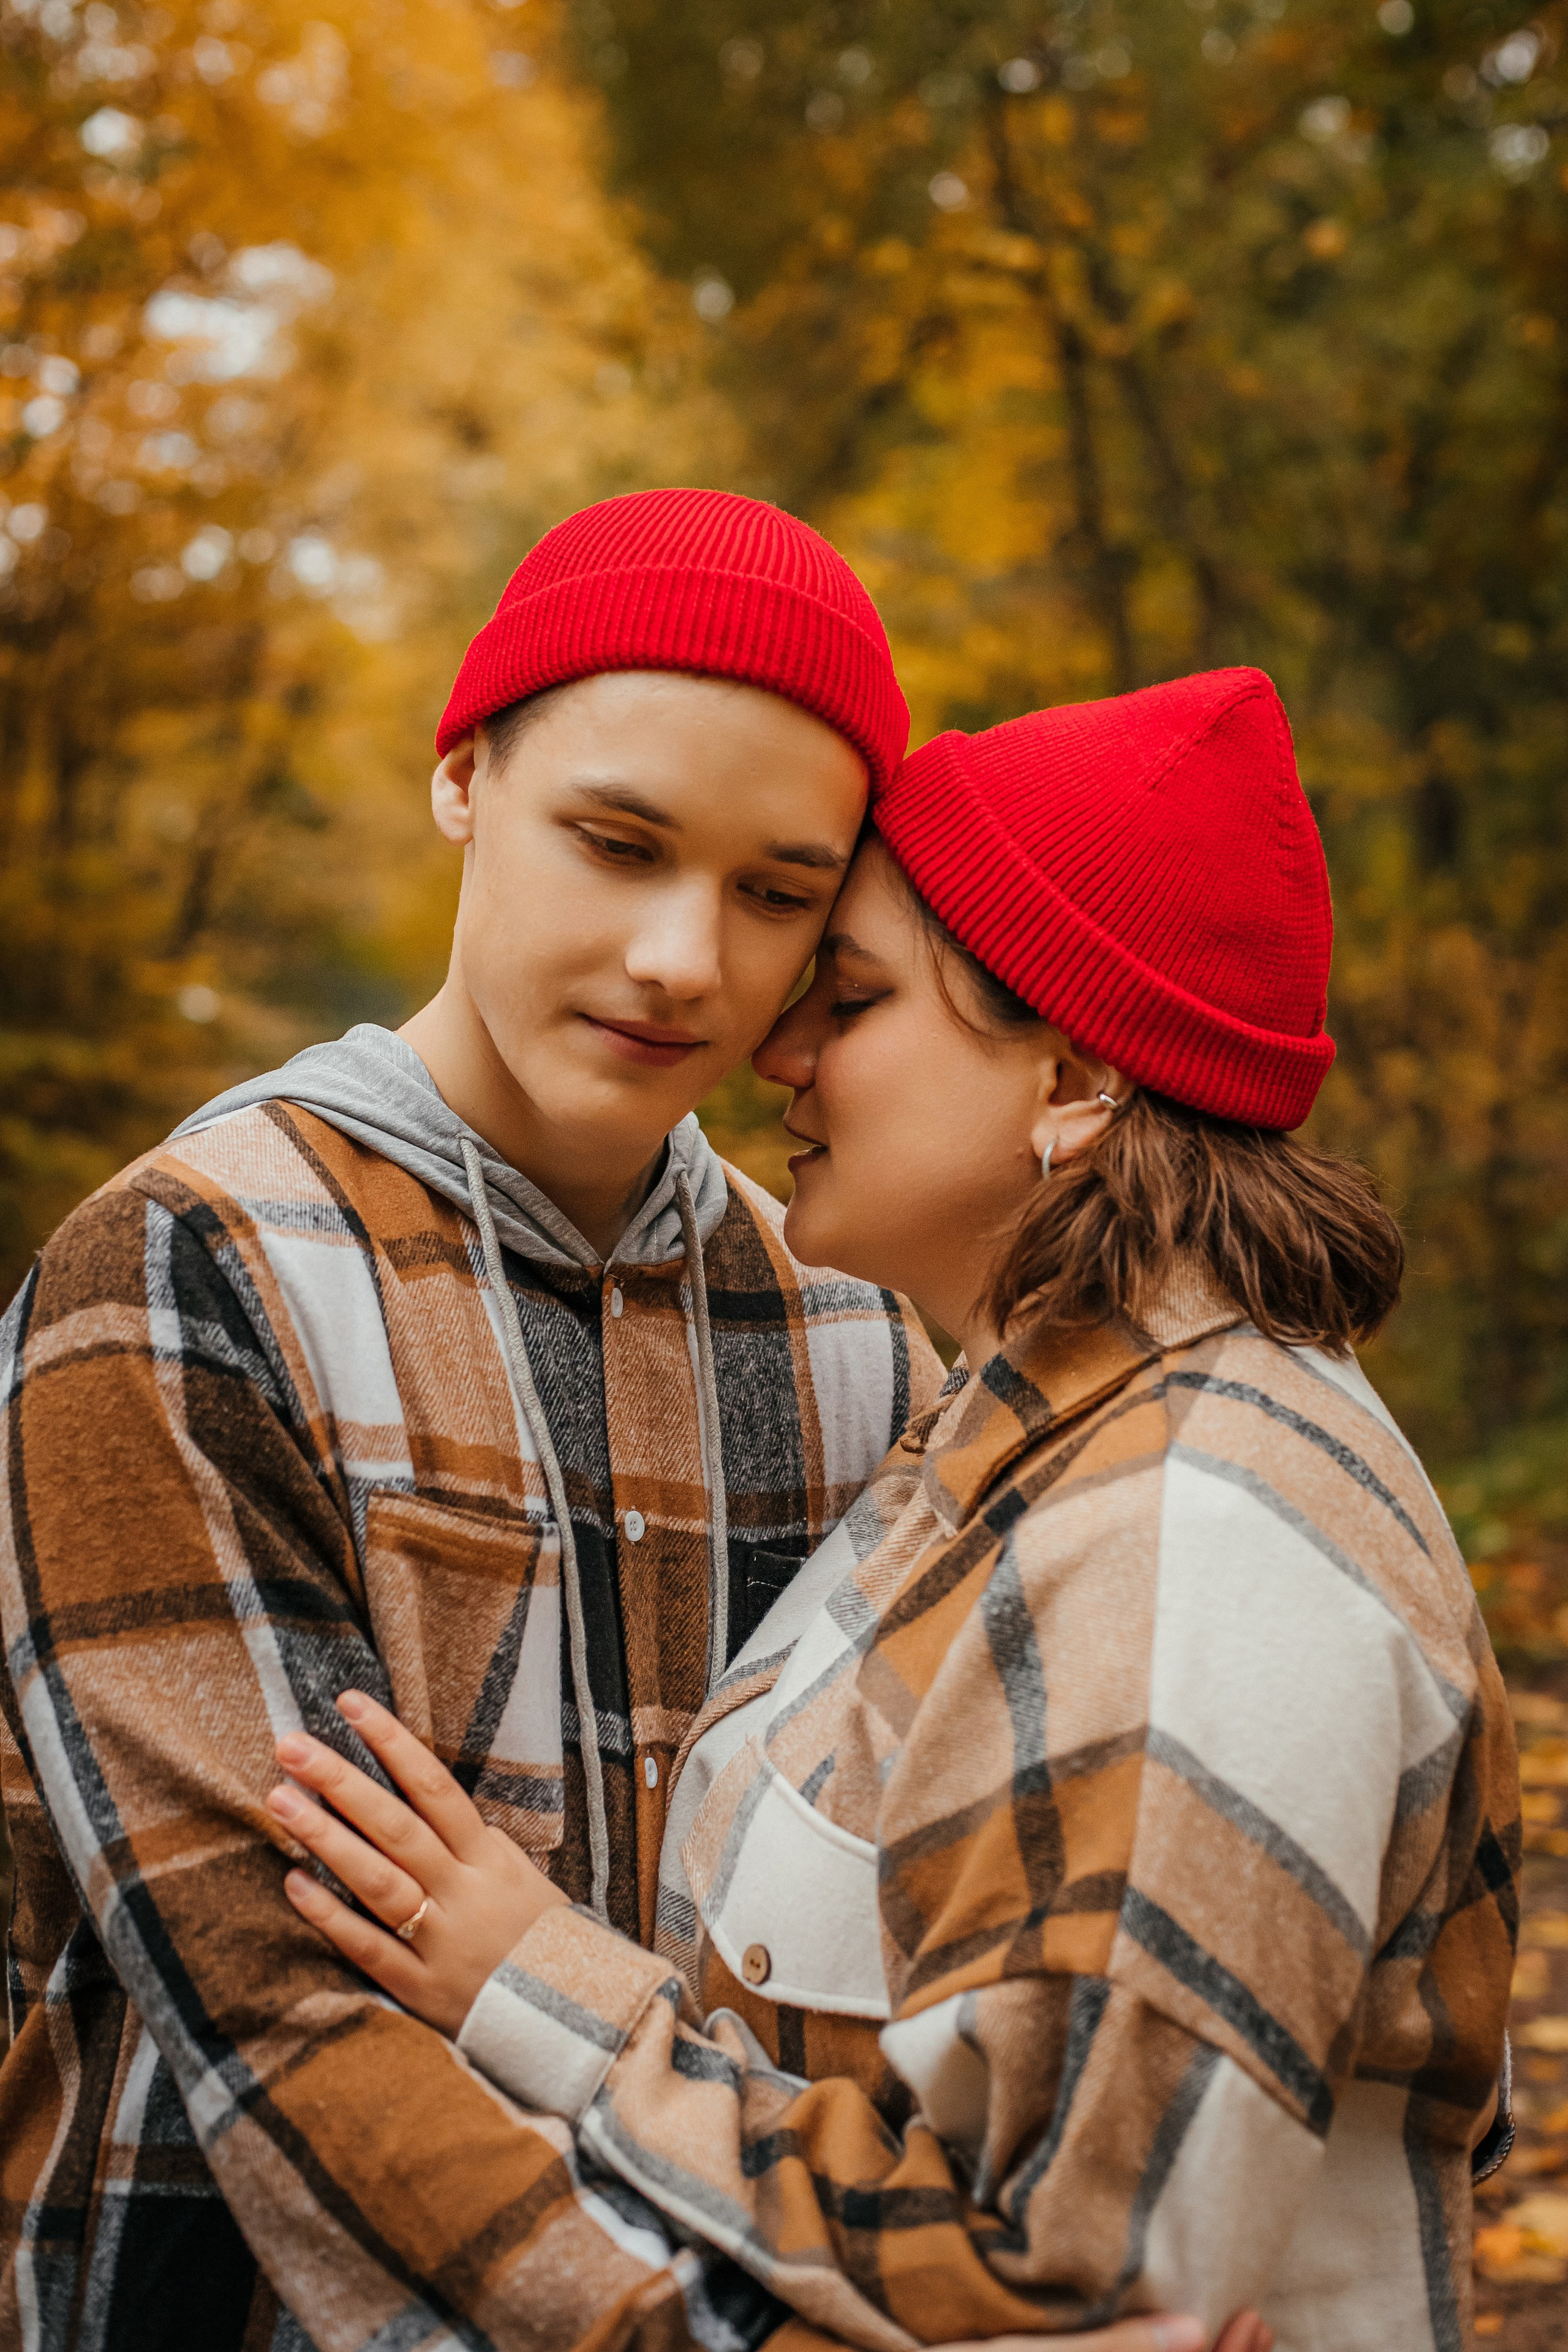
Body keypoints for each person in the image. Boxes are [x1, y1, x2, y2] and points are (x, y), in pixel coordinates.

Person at [269, 668, 1520, 2351]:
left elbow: (1075, 2285)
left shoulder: (1202, 1549)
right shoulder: (993, 1457)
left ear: (1074, 1080)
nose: (770, 1046)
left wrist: (541, 1987)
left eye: (846, 1000)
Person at [0, 488, 957, 2350]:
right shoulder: (187, 1273)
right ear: (464, 777)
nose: (686, 956)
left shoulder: (861, 1339)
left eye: (777, 894)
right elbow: (284, 2019)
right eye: (617, 842)